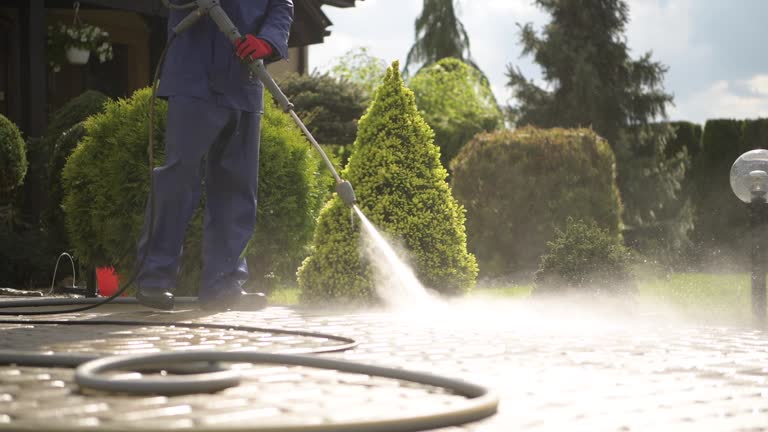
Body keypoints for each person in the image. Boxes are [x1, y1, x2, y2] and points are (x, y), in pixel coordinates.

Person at [135, 0, 294, 311]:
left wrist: (267, 41)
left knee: (237, 187)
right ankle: (154, 279)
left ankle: (223, 285)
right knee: (178, 178)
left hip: (245, 79)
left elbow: (282, 4)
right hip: (195, 75)